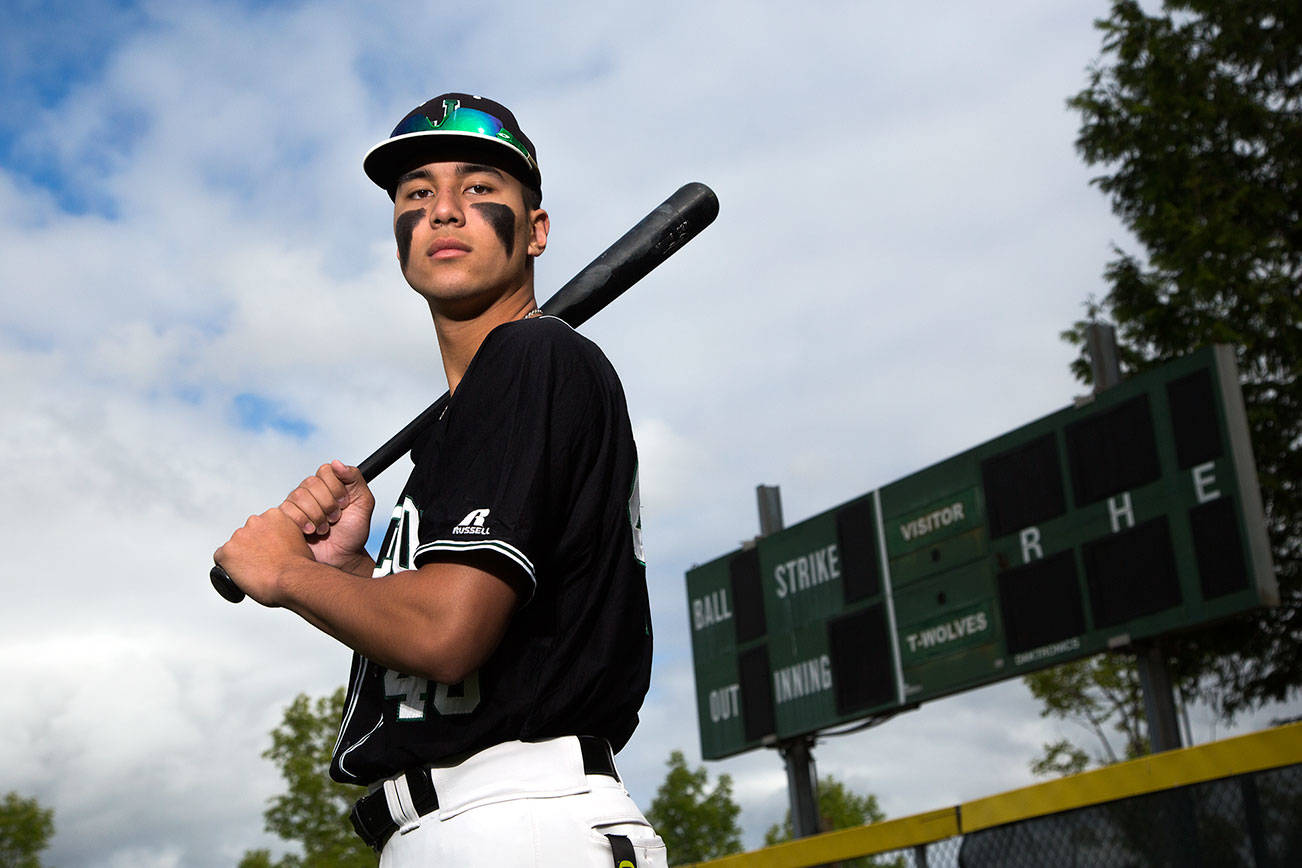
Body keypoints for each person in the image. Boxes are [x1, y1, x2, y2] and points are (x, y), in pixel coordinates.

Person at [214, 93, 663, 867]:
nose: (445, 210)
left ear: (536, 232)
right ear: (398, 243)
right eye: (417, 194)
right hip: (477, 825)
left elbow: (448, 635)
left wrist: (285, 574)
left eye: (481, 188)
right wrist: (353, 573)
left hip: (518, 819)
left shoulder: (532, 358)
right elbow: (450, 646)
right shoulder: (481, 411)